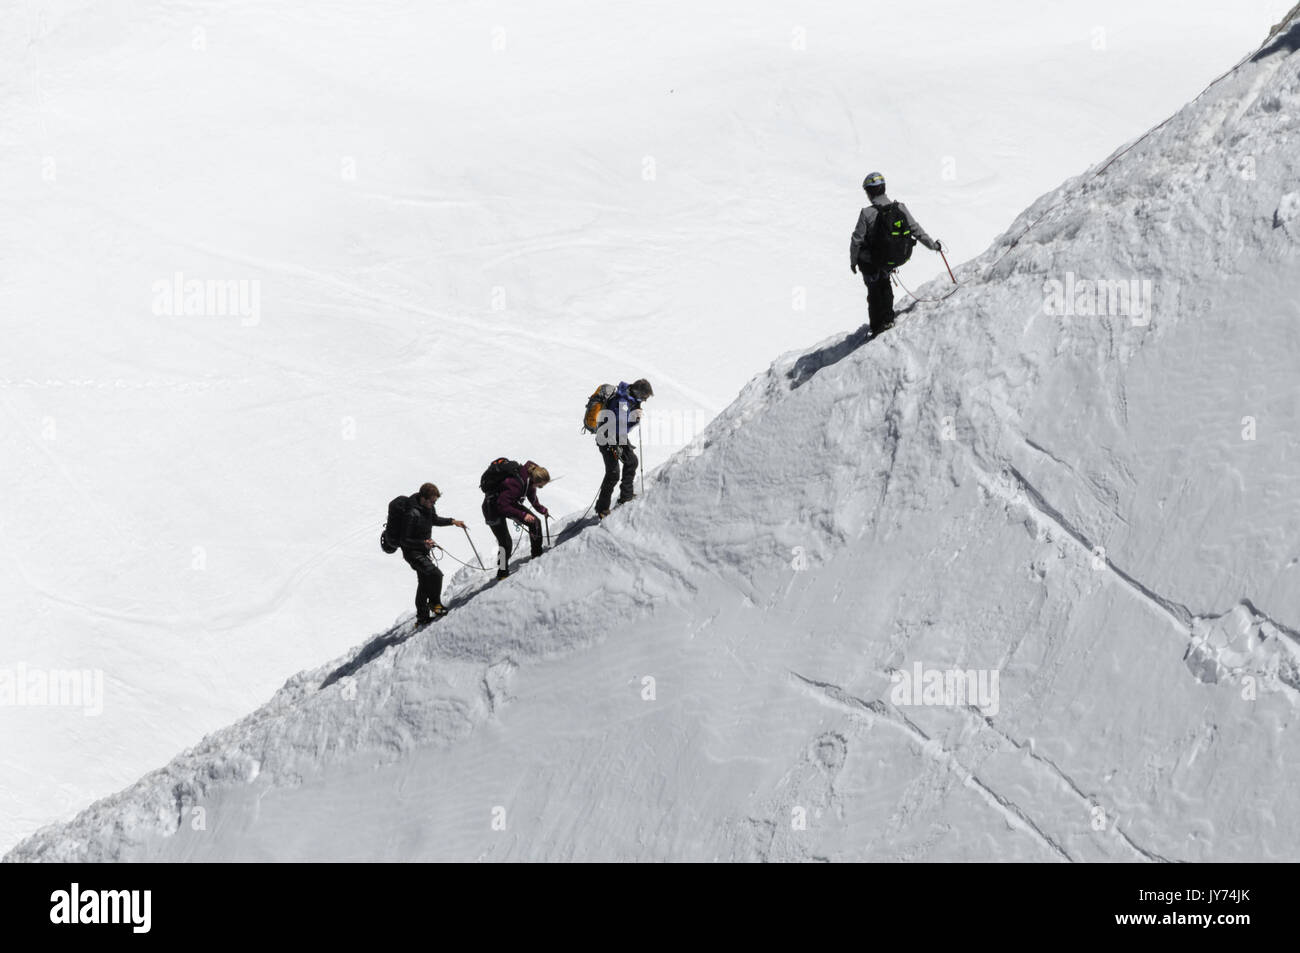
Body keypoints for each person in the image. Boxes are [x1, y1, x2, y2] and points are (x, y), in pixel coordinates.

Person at [849, 171, 942, 337]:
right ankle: (888, 318)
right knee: (885, 284)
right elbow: (916, 230)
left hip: (872, 262)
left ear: (870, 192)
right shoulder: (899, 208)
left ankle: (877, 327)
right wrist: (933, 246)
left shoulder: (867, 213)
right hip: (892, 259)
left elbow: (856, 240)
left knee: (874, 291)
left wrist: (853, 261)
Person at [399, 483, 466, 624]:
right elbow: (404, 540)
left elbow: (434, 519)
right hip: (412, 553)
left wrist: (453, 522)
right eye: (432, 501)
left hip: (422, 550)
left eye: (435, 501)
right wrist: (422, 543)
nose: (433, 504)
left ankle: (422, 617)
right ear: (423, 498)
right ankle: (435, 604)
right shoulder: (411, 513)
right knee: (435, 575)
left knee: (424, 582)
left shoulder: (427, 507)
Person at [594, 378, 653, 517]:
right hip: (607, 438)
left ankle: (626, 496)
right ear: (638, 392)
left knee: (631, 461)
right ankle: (602, 509)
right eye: (644, 397)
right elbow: (621, 427)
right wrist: (634, 420)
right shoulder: (622, 402)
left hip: (617, 437)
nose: (644, 400)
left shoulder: (630, 399)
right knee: (613, 473)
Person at [483, 461, 551, 579]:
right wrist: (523, 515)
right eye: (540, 486)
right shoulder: (515, 483)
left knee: (535, 523)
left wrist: (542, 510)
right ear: (535, 480)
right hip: (492, 509)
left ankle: (537, 556)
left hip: (510, 503)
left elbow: (532, 497)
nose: (540, 488)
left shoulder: (529, 481)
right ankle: (502, 573)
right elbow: (502, 506)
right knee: (505, 543)